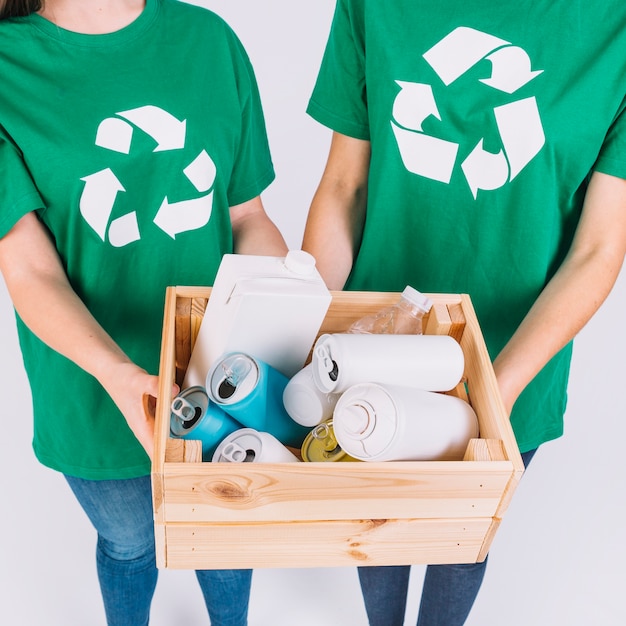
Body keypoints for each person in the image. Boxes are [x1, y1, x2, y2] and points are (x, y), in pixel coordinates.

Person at [302, 1, 626, 625]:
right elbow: (346, 186)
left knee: (461, 539)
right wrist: (304, 325)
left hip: (516, 355)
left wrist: (493, 397)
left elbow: (597, 250)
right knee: (378, 526)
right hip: (380, 337)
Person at [0, 0, 288, 624]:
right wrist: (119, 374)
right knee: (131, 543)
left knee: (224, 539)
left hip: (223, 377)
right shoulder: (6, 69)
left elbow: (249, 218)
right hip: (96, 391)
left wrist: (282, 306)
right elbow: (29, 269)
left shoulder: (210, 41)